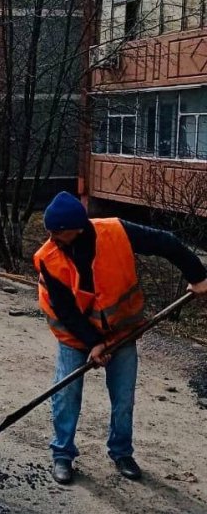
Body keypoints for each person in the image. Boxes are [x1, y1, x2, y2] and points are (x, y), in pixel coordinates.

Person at [34, 191, 207, 485]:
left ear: (76, 227)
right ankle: (62, 454)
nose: (51, 237)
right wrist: (93, 343)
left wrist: (198, 275)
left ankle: (121, 452)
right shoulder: (48, 257)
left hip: (122, 330)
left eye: (56, 231)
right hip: (75, 335)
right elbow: (65, 310)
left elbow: (166, 243)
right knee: (66, 395)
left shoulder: (116, 232)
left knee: (123, 398)